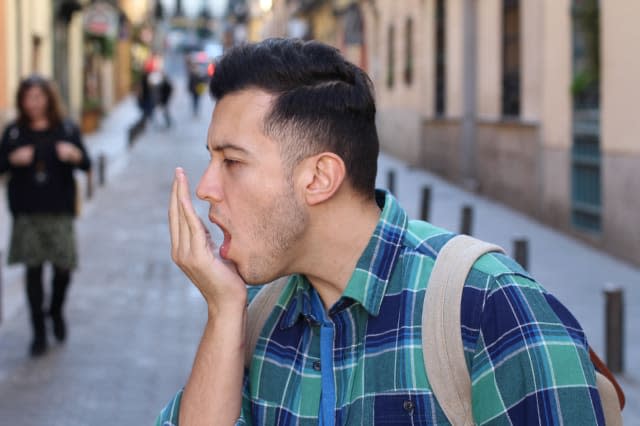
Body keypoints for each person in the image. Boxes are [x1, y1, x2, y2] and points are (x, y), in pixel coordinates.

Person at [157, 38, 605, 425]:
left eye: (231, 162)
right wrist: (223, 312)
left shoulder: (490, 307)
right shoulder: (257, 314)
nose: (205, 188)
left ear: (318, 178)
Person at [0, 75, 91, 357]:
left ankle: (55, 310)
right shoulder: (14, 131)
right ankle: (38, 331)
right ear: (21, 101)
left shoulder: (65, 128)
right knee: (34, 272)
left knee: (63, 269)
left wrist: (74, 154)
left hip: (59, 211)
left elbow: (86, 162)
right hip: (27, 212)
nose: (34, 103)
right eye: (28, 98)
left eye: (39, 97)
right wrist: (12, 160)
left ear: (49, 99)